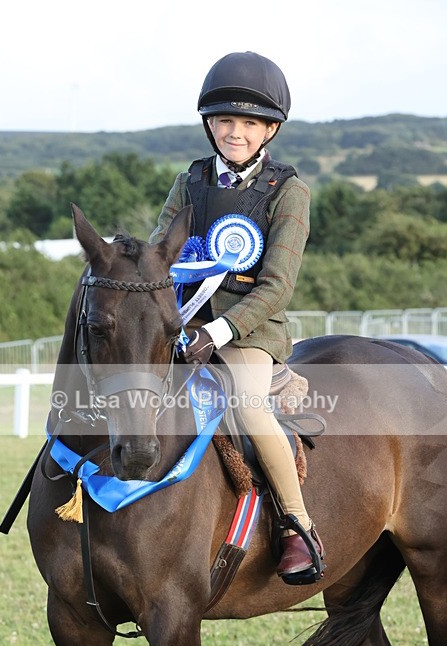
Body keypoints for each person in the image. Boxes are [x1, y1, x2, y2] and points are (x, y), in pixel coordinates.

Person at [149, 51, 325, 586]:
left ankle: (297, 523)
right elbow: (160, 254)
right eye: (225, 120)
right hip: (184, 321)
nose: (235, 132)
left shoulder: (288, 191)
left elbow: (277, 286)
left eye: (249, 122)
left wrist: (219, 330)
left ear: (269, 128)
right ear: (209, 124)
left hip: (248, 333)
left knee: (248, 407)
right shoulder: (190, 182)